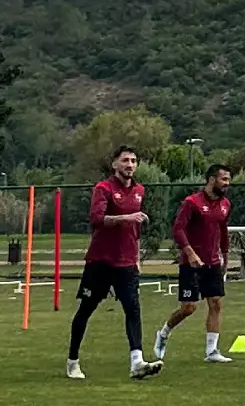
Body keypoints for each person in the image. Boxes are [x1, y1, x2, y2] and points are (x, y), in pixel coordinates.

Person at [66, 145, 162, 381]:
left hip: (126, 263)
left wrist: (137, 258)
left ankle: (137, 361)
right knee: (86, 310)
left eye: (133, 160)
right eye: (125, 160)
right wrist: (127, 217)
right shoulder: (104, 188)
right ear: (115, 165)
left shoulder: (139, 190)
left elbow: (135, 231)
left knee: (133, 309)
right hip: (100, 261)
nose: (130, 164)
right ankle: (72, 361)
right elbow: (97, 220)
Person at [155, 162, 234, 366]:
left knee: (216, 303)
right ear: (211, 180)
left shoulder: (225, 204)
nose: (227, 183)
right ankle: (164, 333)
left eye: (228, 180)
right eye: (224, 179)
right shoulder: (192, 202)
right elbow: (178, 229)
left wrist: (225, 255)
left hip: (213, 262)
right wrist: (189, 253)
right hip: (191, 263)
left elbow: (223, 231)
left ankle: (212, 351)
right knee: (189, 308)